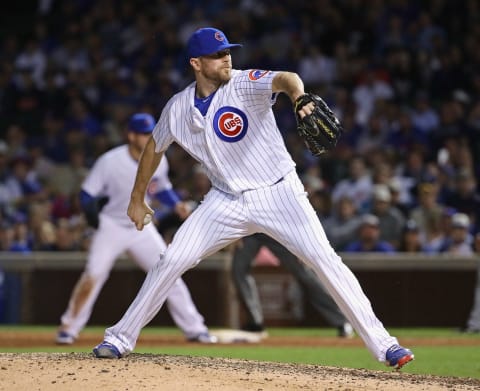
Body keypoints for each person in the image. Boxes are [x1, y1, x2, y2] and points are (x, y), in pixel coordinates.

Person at [93, 27, 414, 370]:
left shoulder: (245, 82)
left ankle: (385, 345)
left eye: (228, 51)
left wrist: (299, 98)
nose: (226, 57)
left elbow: (287, 78)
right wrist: (137, 198)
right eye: (217, 55)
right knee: (171, 260)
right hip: (224, 200)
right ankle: (119, 337)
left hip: (278, 192)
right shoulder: (178, 108)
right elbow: (154, 148)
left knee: (324, 260)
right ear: (196, 63)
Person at [56, 113, 217, 345]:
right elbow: (86, 195)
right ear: (131, 135)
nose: (148, 136)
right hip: (111, 225)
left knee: (170, 271)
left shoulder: (158, 158)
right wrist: (94, 219)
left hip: (141, 226)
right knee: (93, 275)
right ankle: (68, 328)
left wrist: (176, 204)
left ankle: (195, 328)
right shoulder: (110, 161)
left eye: (150, 132)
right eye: (143, 133)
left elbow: (161, 188)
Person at [232, 233, 354, 338]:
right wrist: (234, 234)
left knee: (304, 274)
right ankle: (255, 323)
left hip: (279, 229)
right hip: (252, 232)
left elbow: (298, 214)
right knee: (238, 269)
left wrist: (302, 243)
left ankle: (342, 321)